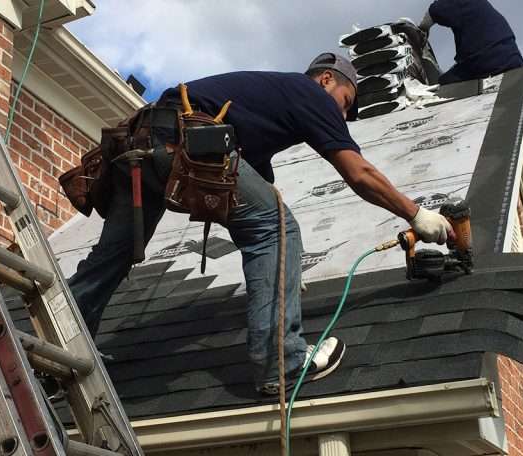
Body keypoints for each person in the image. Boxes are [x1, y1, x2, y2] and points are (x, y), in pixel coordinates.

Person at [67, 53, 453, 395]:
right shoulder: (309, 94)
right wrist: (416, 214)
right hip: (186, 137)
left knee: (114, 254)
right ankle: (282, 363)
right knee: (277, 228)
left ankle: (66, 342)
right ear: (326, 80)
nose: (342, 116)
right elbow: (358, 173)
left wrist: (285, 263)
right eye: (345, 102)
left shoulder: (264, 111)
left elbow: (255, 196)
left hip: (142, 143)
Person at [419, 0, 523, 85]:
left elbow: (433, 12)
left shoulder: (456, 3)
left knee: (443, 84)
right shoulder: (480, 4)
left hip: (487, 62)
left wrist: (421, 29)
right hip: (514, 60)